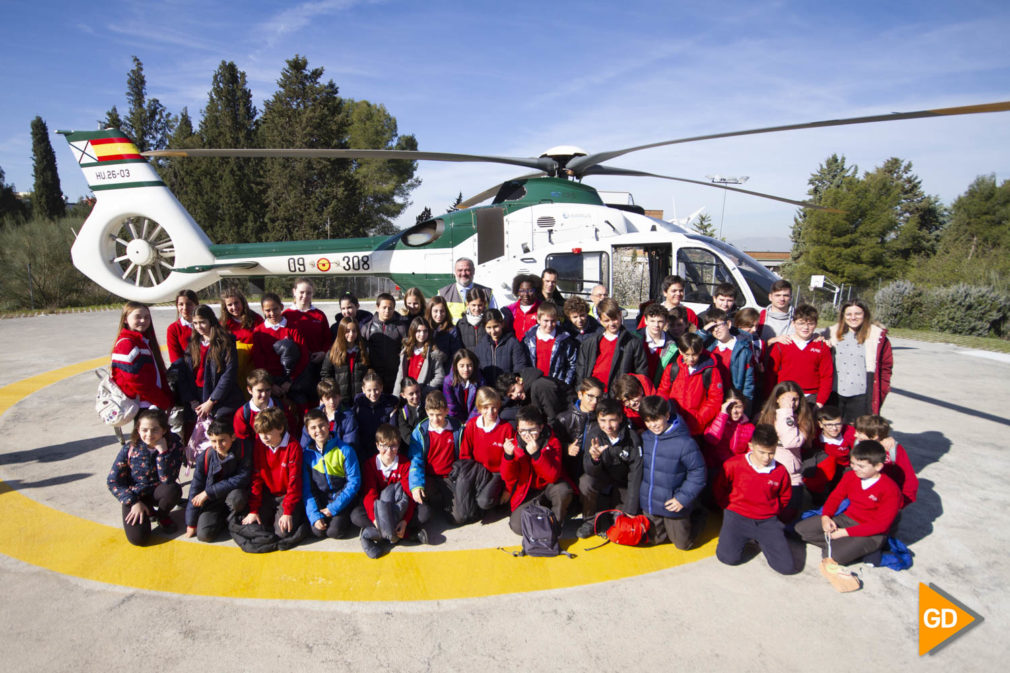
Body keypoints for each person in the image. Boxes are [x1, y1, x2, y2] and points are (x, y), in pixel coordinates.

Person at [794, 439, 901, 565]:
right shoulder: (851, 476)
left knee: (833, 556)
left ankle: (856, 546)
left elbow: (881, 525)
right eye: (853, 463)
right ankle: (847, 545)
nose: (855, 468)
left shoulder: (890, 489)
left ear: (878, 466)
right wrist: (826, 517)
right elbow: (835, 497)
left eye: (861, 466)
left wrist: (844, 533)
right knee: (800, 530)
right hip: (846, 519)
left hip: (871, 532)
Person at [713, 424, 797, 575]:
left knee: (786, 568)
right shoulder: (733, 464)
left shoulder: (781, 471)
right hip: (737, 517)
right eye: (762, 452)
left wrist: (773, 512)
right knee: (727, 558)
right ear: (751, 445)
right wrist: (728, 509)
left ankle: (763, 540)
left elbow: (785, 497)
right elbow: (720, 489)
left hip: (767, 521)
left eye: (771, 453)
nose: (767, 457)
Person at [638, 396, 707, 549]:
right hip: (651, 503)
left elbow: (698, 472)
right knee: (653, 540)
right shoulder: (645, 438)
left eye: (656, 419)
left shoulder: (685, 442)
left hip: (673, 503)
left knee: (682, 544)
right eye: (648, 421)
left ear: (667, 416)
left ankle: (697, 513)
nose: (653, 425)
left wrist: (682, 499)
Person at [107, 408, 183, 545]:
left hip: (158, 491)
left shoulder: (174, 445)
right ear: (138, 430)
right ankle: (148, 512)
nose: (149, 434)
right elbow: (113, 481)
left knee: (173, 489)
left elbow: (168, 480)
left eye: (155, 430)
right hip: (135, 495)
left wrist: (163, 453)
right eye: (144, 430)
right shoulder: (130, 448)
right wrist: (133, 502)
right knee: (138, 539)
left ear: (164, 430)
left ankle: (162, 516)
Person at [240, 406, 307, 550]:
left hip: (286, 496)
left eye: (268, 433)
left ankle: (299, 519)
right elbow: (256, 477)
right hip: (268, 495)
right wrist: (254, 509)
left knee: (282, 533)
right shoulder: (260, 444)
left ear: (281, 428)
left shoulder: (293, 447)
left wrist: (288, 511)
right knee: (253, 526)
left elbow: (294, 483)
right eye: (260, 433)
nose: (263, 437)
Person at [501, 406, 574, 535]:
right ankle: (542, 518)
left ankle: (555, 524)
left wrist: (537, 455)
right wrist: (508, 456)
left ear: (540, 427)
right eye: (523, 431)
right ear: (517, 429)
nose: (527, 435)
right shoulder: (515, 444)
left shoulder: (552, 443)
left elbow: (553, 477)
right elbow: (508, 477)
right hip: (529, 492)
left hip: (549, 486)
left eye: (532, 430)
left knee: (563, 490)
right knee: (517, 526)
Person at [577, 399, 643, 537]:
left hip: (623, 484)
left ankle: (614, 513)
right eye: (603, 420)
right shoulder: (594, 435)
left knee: (621, 524)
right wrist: (594, 459)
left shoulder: (632, 438)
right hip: (604, 481)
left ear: (620, 418)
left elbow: (636, 475)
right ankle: (590, 521)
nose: (608, 426)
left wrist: (631, 509)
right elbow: (590, 471)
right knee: (585, 481)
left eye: (612, 420)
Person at [823, 299, 893, 421]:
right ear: (843, 316)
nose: (853, 317)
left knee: (858, 433)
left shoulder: (876, 337)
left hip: (861, 396)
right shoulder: (831, 334)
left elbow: (885, 368)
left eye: (858, 314)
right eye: (849, 314)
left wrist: (882, 391)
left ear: (865, 314)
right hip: (834, 395)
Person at [353, 424, 417, 558]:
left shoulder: (405, 464)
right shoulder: (370, 464)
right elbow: (370, 494)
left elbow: (409, 494)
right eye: (384, 446)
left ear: (398, 445)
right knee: (356, 515)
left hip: (398, 507)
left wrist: (404, 521)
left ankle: (383, 534)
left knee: (424, 513)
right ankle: (402, 535)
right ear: (377, 446)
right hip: (379, 507)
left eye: (393, 446)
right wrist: (376, 519)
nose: (389, 451)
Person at [454, 387, 515, 524]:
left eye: (494, 407)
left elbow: (512, 462)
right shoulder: (472, 425)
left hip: (497, 474)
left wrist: (508, 489)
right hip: (477, 471)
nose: (490, 412)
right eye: (486, 408)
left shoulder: (506, 429)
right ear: (479, 408)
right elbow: (465, 454)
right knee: (462, 513)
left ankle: (493, 502)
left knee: (484, 501)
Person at [756, 381, 815, 518]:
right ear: (777, 399)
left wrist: (786, 412)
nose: (791, 403)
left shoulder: (803, 419)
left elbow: (791, 441)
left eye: (795, 399)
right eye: (786, 399)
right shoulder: (767, 418)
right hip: (770, 474)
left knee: (787, 517)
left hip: (792, 477)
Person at [184, 420, 251, 542]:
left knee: (237, 498)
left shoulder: (243, 450)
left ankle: (233, 516)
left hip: (232, 495)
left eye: (222, 440)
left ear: (233, 437)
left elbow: (243, 478)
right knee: (204, 535)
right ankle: (222, 519)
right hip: (213, 500)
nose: (218, 445)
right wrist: (191, 523)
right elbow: (196, 487)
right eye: (214, 441)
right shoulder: (206, 456)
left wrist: (208, 492)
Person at [407, 390, 464, 532]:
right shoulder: (420, 431)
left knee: (458, 518)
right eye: (431, 415)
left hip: (449, 478)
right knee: (418, 500)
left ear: (446, 411)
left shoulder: (457, 429)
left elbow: (463, 455)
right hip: (429, 478)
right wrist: (416, 485)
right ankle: (427, 505)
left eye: (439, 414)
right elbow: (416, 460)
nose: (435, 419)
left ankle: (445, 503)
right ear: (426, 411)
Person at [302, 407, 360, 540]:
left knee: (334, 532)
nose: (318, 430)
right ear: (307, 431)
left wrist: (333, 508)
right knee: (318, 531)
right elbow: (308, 490)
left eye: (322, 425)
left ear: (328, 424)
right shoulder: (306, 455)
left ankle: (346, 517)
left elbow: (354, 483)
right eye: (313, 428)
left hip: (343, 500)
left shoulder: (345, 449)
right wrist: (315, 516)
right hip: (322, 501)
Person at [180, 305, 243, 421]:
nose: (199, 327)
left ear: (211, 321)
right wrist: (192, 400)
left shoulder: (224, 343)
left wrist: (211, 401)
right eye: (195, 323)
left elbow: (229, 374)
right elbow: (185, 373)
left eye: (202, 322)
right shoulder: (192, 344)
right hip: (197, 395)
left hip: (219, 396)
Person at [656, 332, 724, 437]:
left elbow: (715, 399)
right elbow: (663, 392)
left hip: (697, 427)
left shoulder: (710, 371)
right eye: (687, 354)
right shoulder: (672, 369)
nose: (691, 359)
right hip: (674, 423)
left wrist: (700, 418)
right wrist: (667, 413)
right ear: (680, 351)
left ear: (700, 351)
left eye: (694, 354)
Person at [111, 301, 173, 410]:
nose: (143, 320)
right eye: (138, 317)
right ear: (125, 319)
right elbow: (136, 380)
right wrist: (162, 401)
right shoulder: (126, 344)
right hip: (143, 405)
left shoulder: (143, 341)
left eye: (147, 317)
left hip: (151, 403)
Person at [575, 298, 646, 393]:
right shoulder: (590, 343)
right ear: (600, 320)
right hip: (594, 394)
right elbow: (581, 370)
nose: (611, 324)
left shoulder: (633, 342)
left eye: (614, 319)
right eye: (606, 321)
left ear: (620, 315)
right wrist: (581, 390)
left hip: (619, 394)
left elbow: (641, 371)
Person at [767, 304, 833, 407]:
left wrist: (820, 402)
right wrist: (771, 397)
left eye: (810, 324)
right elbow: (771, 374)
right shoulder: (782, 345)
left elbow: (827, 376)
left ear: (816, 324)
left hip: (811, 397)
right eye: (801, 323)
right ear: (793, 323)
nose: (805, 328)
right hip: (785, 394)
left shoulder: (822, 346)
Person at [252, 292, 310, 406]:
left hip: (293, 381)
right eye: (268, 310)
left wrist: (290, 381)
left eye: (275, 309)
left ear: (281, 307)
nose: (272, 313)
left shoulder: (293, 328)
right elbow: (258, 361)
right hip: (270, 383)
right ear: (263, 310)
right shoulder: (258, 331)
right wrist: (270, 384)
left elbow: (303, 356)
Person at [853, 414, 918, 509]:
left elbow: (909, 479)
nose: (855, 434)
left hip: (885, 496)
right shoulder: (857, 442)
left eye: (859, 432)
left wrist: (901, 502)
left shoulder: (893, 450)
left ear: (875, 436)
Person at [696, 308, 756, 409]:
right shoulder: (709, 346)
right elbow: (692, 344)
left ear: (728, 324)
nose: (716, 330)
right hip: (712, 399)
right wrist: (703, 332)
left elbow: (748, 382)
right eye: (712, 328)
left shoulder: (743, 350)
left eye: (718, 326)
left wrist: (746, 406)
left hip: (734, 398)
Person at [551, 376, 605, 482]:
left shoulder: (602, 420)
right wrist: (566, 448)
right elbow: (551, 445)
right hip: (566, 473)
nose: (595, 401)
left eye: (598, 398)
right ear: (580, 394)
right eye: (590, 396)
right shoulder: (563, 418)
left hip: (591, 473)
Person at [802, 405, 856, 498]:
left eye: (838, 424)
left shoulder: (849, 432)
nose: (834, 428)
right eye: (829, 425)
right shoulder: (814, 435)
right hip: (823, 470)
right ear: (820, 424)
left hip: (844, 468)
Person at [233, 369, 300, 444]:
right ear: (249, 390)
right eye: (260, 390)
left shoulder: (280, 406)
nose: (264, 394)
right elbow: (243, 443)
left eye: (267, 390)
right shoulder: (242, 414)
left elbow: (291, 431)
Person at [282, 278, 332, 379]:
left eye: (308, 293)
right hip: (294, 367)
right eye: (301, 292)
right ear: (294, 292)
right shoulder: (286, 315)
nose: (305, 296)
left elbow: (327, 339)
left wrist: (323, 353)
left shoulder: (319, 315)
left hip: (316, 365)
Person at [521, 302, 577, 387]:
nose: (549, 325)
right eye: (546, 321)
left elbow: (572, 364)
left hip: (556, 385)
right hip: (533, 384)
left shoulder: (564, 339)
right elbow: (523, 362)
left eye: (553, 321)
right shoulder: (528, 339)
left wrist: (565, 384)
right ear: (538, 319)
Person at [361, 292, 406, 395]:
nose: (387, 311)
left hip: (394, 374)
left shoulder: (401, 327)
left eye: (390, 308)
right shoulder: (367, 328)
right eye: (384, 307)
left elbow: (407, 348)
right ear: (377, 307)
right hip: (375, 376)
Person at [220, 287, 263, 392]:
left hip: (254, 362)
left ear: (242, 302)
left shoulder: (255, 318)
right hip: (235, 366)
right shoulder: (223, 323)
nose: (234, 307)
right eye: (230, 305)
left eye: (236, 303)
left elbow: (262, 340)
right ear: (225, 307)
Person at [702, 389, 756, 471]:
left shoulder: (750, 427)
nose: (734, 411)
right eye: (730, 407)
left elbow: (751, 453)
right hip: (716, 468)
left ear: (744, 406)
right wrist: (723, 414)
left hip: (736, 468)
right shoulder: (715, 421)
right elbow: (712, 439)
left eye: (738, 407)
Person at [300, 377, 359, 452]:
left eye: (335, 397)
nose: (332, 401)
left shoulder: (348, 417)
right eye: (328, 398)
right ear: (321, 400)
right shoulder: (312, 416)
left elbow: (350, 444)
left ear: (340, 396)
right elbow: (304, 445)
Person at [474, 308, 531, 386]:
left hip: (508, 390)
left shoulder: (513, 343)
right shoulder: (481, 345)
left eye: (496, 326)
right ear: (484, 327)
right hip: (488, 391)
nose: (493, 331)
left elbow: (520, 368)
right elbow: (478, 369)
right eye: (489, 328)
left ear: (502, 324)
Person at [393, 317, 447, 397]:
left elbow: (440, 376)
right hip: (408, 395)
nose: (422, 334)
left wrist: (424, 390)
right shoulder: (406, 351)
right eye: (418, 331)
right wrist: (396, 396)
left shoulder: (433, 352)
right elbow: (400, 374)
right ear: (413, 331)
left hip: (423, 396)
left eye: (425, 331)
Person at [352, 369, 399, 460]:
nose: (373, 394)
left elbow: (392, 430)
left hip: (383, 450)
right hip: (363, 450)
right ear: (363, 390)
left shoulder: (390, 405)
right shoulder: (358, 406)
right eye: (369, 390)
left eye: (376, 389)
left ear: (381, 388)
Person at [321, 316, 370, 401]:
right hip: (341, 399)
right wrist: (334, 392)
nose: (351, 334)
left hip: (361, 398)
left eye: (354, 331)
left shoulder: (364, 350)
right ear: (341, 332)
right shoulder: (333, 352)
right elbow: (326, 374)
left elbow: (370, 370)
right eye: (347, 331)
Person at [443, 348, 483, 423]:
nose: (466, 369)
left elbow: (479, 406)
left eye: (469, 365)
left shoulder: (480, 380)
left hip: (474, 420)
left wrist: (468, 423)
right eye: (462, 366)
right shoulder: (448, 381)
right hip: (457, 420)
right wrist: (460, 423)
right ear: (456, 367)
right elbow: (451, 406)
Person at [502, 274, 542, 339]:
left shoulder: (542, 308)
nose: (526, 294)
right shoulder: (511, 310)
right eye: (522, 290)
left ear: (536, 291)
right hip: (515, 347)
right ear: (517, 292)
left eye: (530, 290)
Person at [166, 289, 199, 364]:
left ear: (196, 305)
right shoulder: (173, 329)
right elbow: (175, 358)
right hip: (186, 371)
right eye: (181, 304)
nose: (184, 308)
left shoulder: (206, 325)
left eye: (189, 304)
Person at [394, 377, 426, 448]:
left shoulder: (427, 407)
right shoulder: (402, 413)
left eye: (417, 392)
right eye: (411, 394)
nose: (415, 396)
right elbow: (406, 436)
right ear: (403, 395)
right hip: (413, 449)